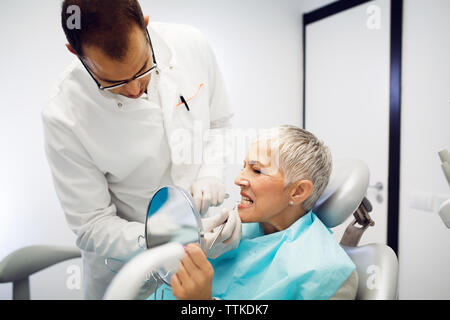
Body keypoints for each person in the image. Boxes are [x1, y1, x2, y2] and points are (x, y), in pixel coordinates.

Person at [42, 0, 240, 299]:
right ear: (75, 53)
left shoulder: (191, 45)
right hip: (126, 273)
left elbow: (219, 121)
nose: (135, 89)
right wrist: (169, 236)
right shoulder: (64, 115)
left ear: (145, 24)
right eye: (113, 83)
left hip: (197, 265)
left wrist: (211, 172)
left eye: (142, 68)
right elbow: (92, 225)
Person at [151, 125, 358, 300]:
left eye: (257, 170)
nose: (238, 179)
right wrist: (187, 243)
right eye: (244, 167)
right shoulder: (233, 232)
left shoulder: (327, 272)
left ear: (297, 191)